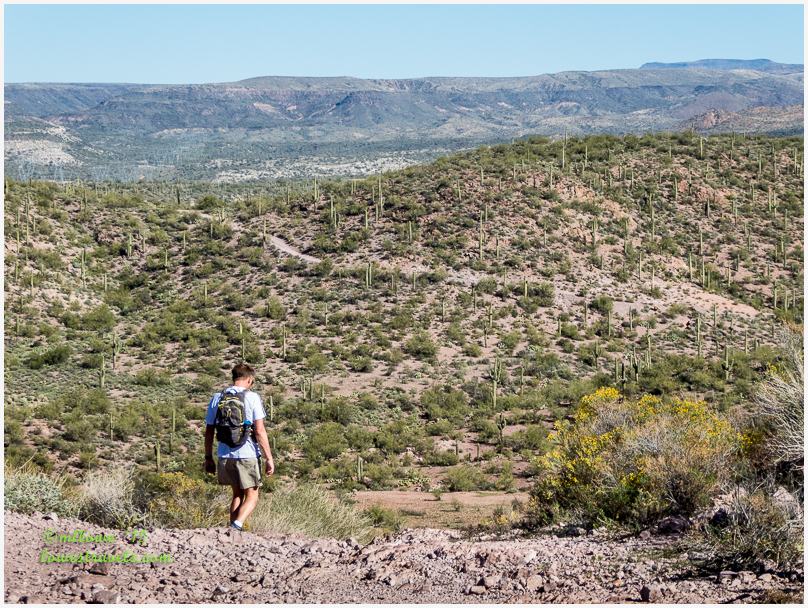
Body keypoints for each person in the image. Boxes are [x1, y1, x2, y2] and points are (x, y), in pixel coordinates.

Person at [204, 363, 274, 531]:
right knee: (253, 496)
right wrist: (269, 458)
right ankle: (236, 526)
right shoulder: (252, 397)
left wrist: (208, 457)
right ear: (249, 380)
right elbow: (259, 430)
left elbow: (209, 430)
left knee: (237, 494)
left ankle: (231, 531)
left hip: (224, 454)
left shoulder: (217, 397)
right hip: (247, 454)